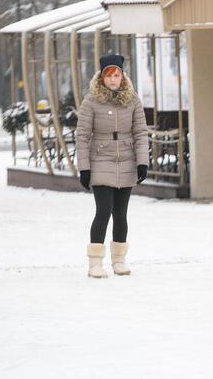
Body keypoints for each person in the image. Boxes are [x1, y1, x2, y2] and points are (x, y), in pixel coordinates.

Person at [76, 54, 149, 279]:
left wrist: (142, 162)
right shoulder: (91, 101)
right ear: (101, 78)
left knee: (121, 213)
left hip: (126, 161)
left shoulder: (133, 100)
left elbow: (140, 132)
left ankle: (119, 260)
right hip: (101, 160)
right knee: (103, 211)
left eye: (117, 75)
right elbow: (82, 135)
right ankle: (95, 263)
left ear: (122, 76)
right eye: (109, 76)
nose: (113, 79)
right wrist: (84, 167)